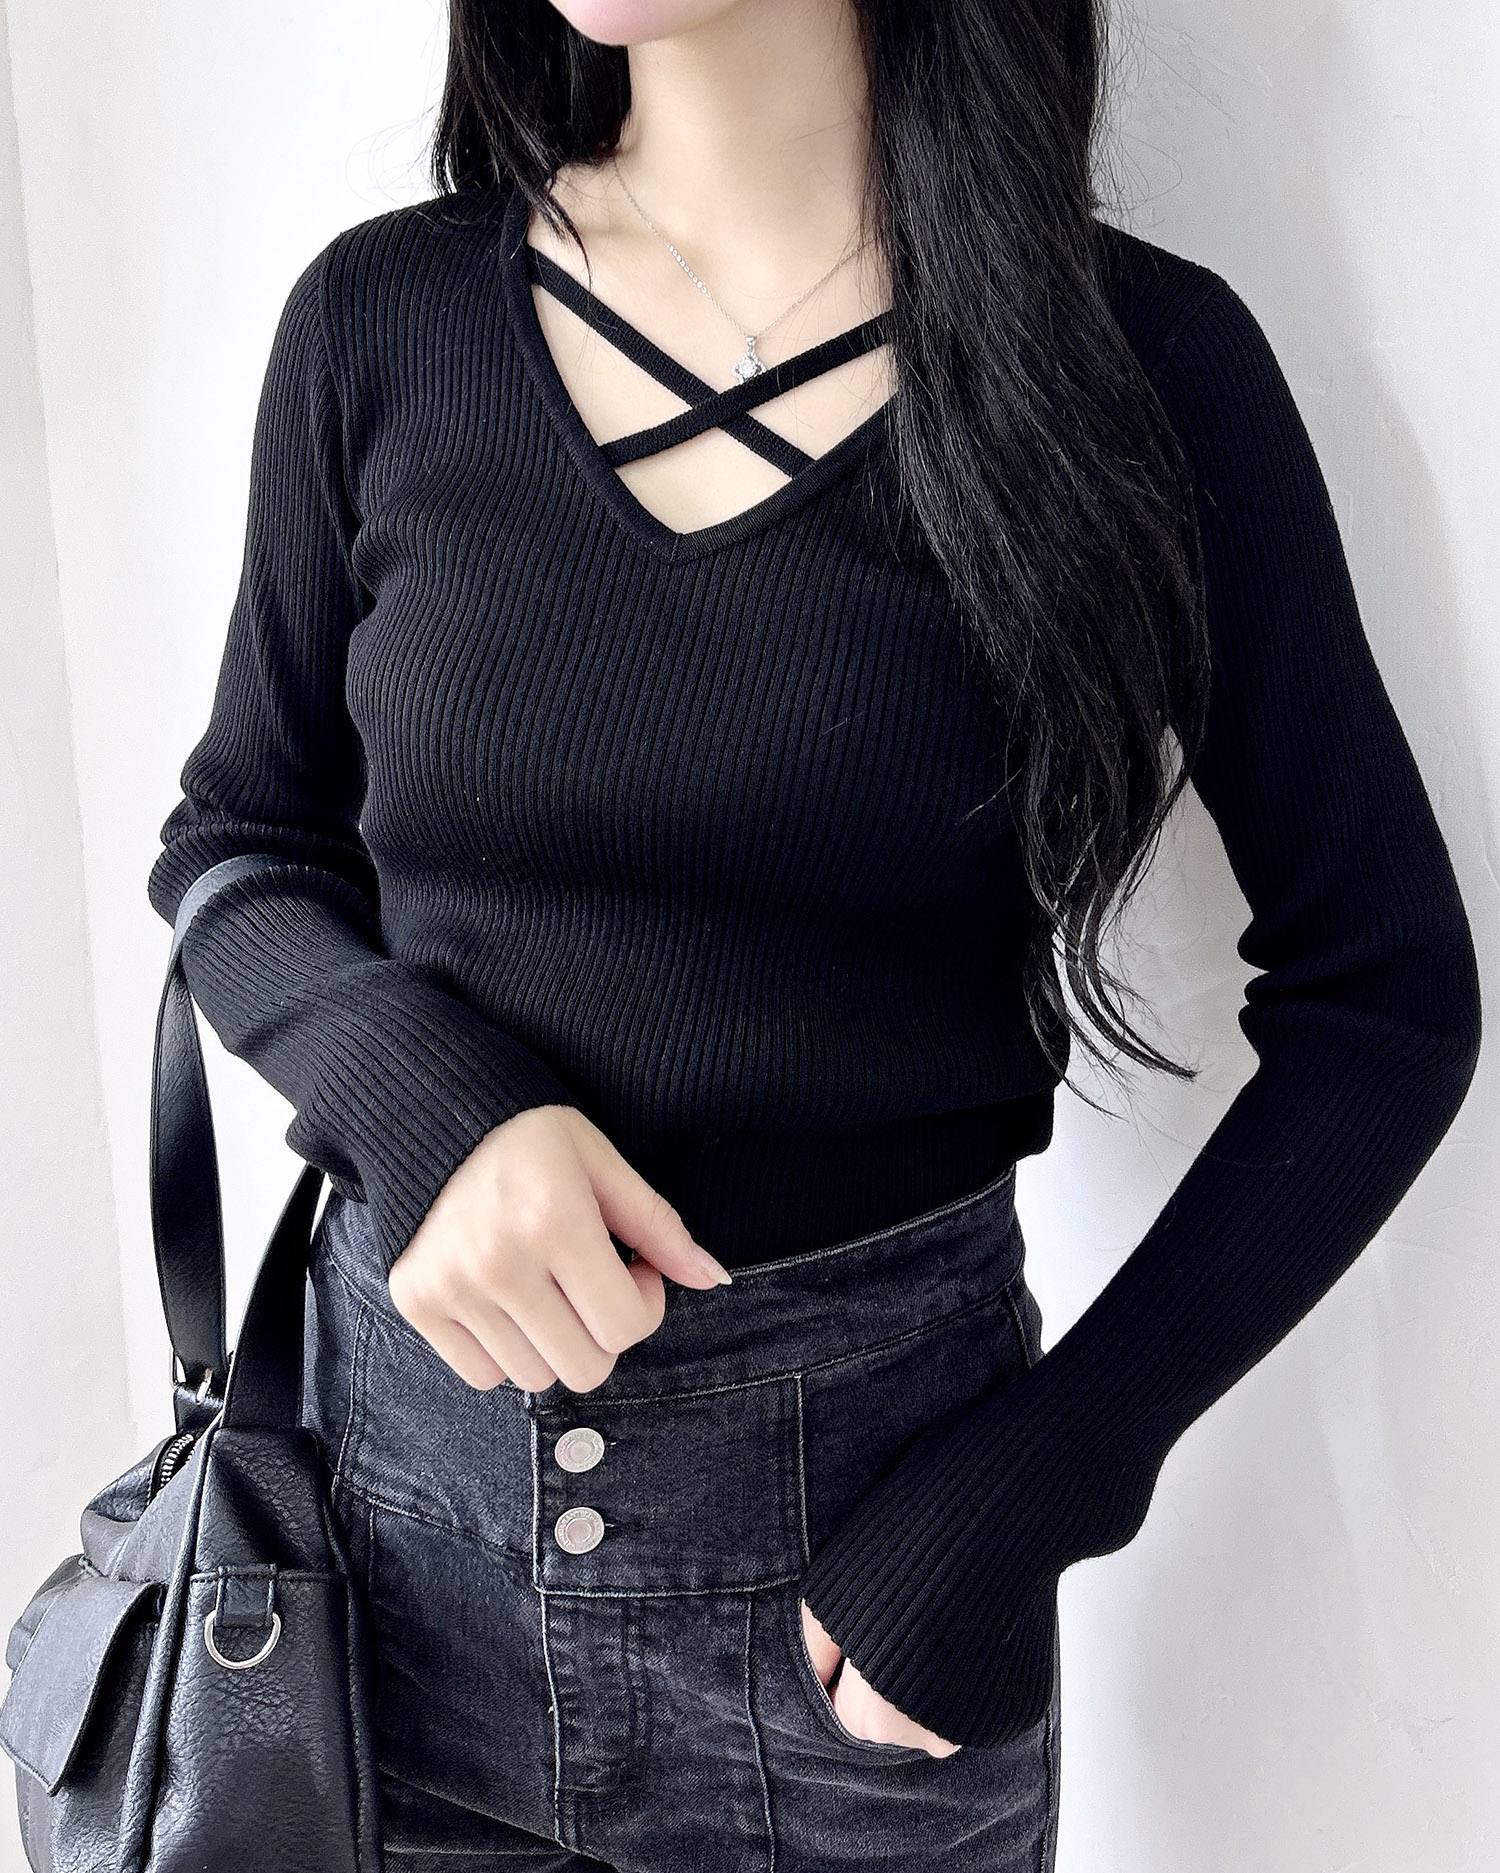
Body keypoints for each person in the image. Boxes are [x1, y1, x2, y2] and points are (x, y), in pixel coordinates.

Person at [145, 2, 1482, 1868]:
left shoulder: (1141, 365)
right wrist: (431, 1110)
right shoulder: (383, 320)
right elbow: (241, 840)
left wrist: (1043, 1479)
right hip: (376, 1602)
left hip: (862, 1603)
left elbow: (1388, 1000)